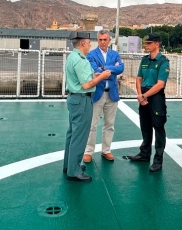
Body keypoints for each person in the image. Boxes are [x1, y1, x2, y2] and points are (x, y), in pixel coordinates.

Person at [63, 32, 110, 181]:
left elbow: (83, 78)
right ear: (83, 43)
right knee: (79, 136)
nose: (90, 45)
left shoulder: (72, 57)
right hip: (82, 100)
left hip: (74, 99)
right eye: (89, 42)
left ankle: (69, 165)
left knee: (72, 134)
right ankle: (74, 171)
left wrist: (94, 76)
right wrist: (102, 77)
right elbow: (86, 85)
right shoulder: (81, 60)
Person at [128, 34, 170, 172]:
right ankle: (144, 154)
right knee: (145, 126)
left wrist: (144, 95)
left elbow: (160, 84)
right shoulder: (144, 60)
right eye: (146, 43)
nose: (146, 45)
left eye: (149, 43)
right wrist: (140, 95)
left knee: (158, 127)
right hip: (144, 95)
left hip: (155, 97)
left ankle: (158, 159)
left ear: (157, 44)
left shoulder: (163, 61)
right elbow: (139, 78)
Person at [83, 29, 124, 163]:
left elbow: (121, 68)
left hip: (112, 94)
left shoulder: (115, 53)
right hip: (97, 94)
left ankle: (106, 150)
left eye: (105, 39)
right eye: (100, 40)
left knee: (109, 124)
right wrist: (112, 67)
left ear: (109, 40)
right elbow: (95, 69)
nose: (102, 42)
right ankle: (89, 151)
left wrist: (104, 68)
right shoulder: (91, 54)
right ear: (97, 40)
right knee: (92, 125)